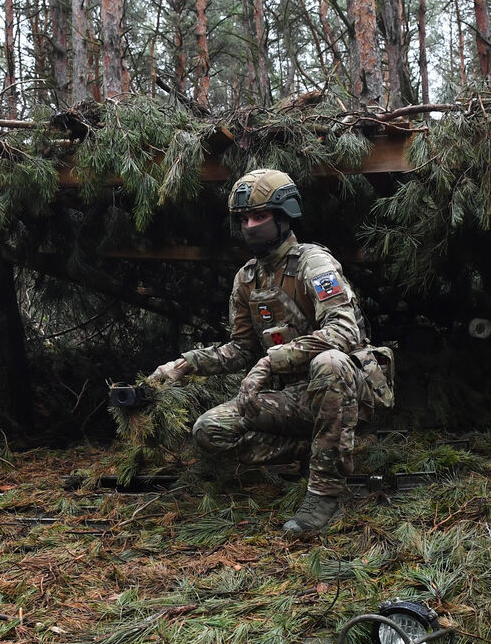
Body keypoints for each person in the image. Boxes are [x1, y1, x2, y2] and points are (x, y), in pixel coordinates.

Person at [148, 168, 394, 537]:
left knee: (330, 362)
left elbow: (344, 331)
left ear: (283, 216)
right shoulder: (247, 279)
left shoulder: (314, 263)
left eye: (259, 216)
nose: (250, 225)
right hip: (291, 398)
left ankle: (325, 492)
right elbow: (241, 347)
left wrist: (271, 361)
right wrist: (184, 365)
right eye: (244, 218)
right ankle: (317, 450)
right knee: (210, 430)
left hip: (347, 388)